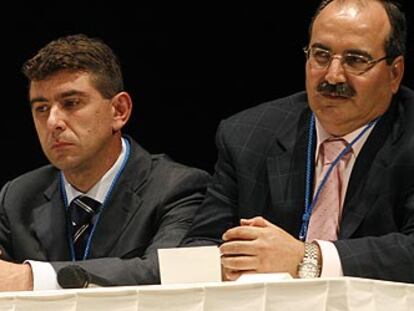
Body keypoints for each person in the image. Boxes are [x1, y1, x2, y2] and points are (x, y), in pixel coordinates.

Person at [183, 0, 414, 283]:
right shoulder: (247, 135)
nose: (333, 75)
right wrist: (235, 258)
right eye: (321, 55)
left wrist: (308, 258)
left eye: (356, 60)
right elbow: (200, 247)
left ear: (394, 73)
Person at [0, 34, 210, 291]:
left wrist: (34, 279)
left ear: (119, 110)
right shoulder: (16, 197)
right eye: (41, 108)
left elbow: (169, 272)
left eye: (71, 103)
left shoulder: (177, 188)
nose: (54, 121)